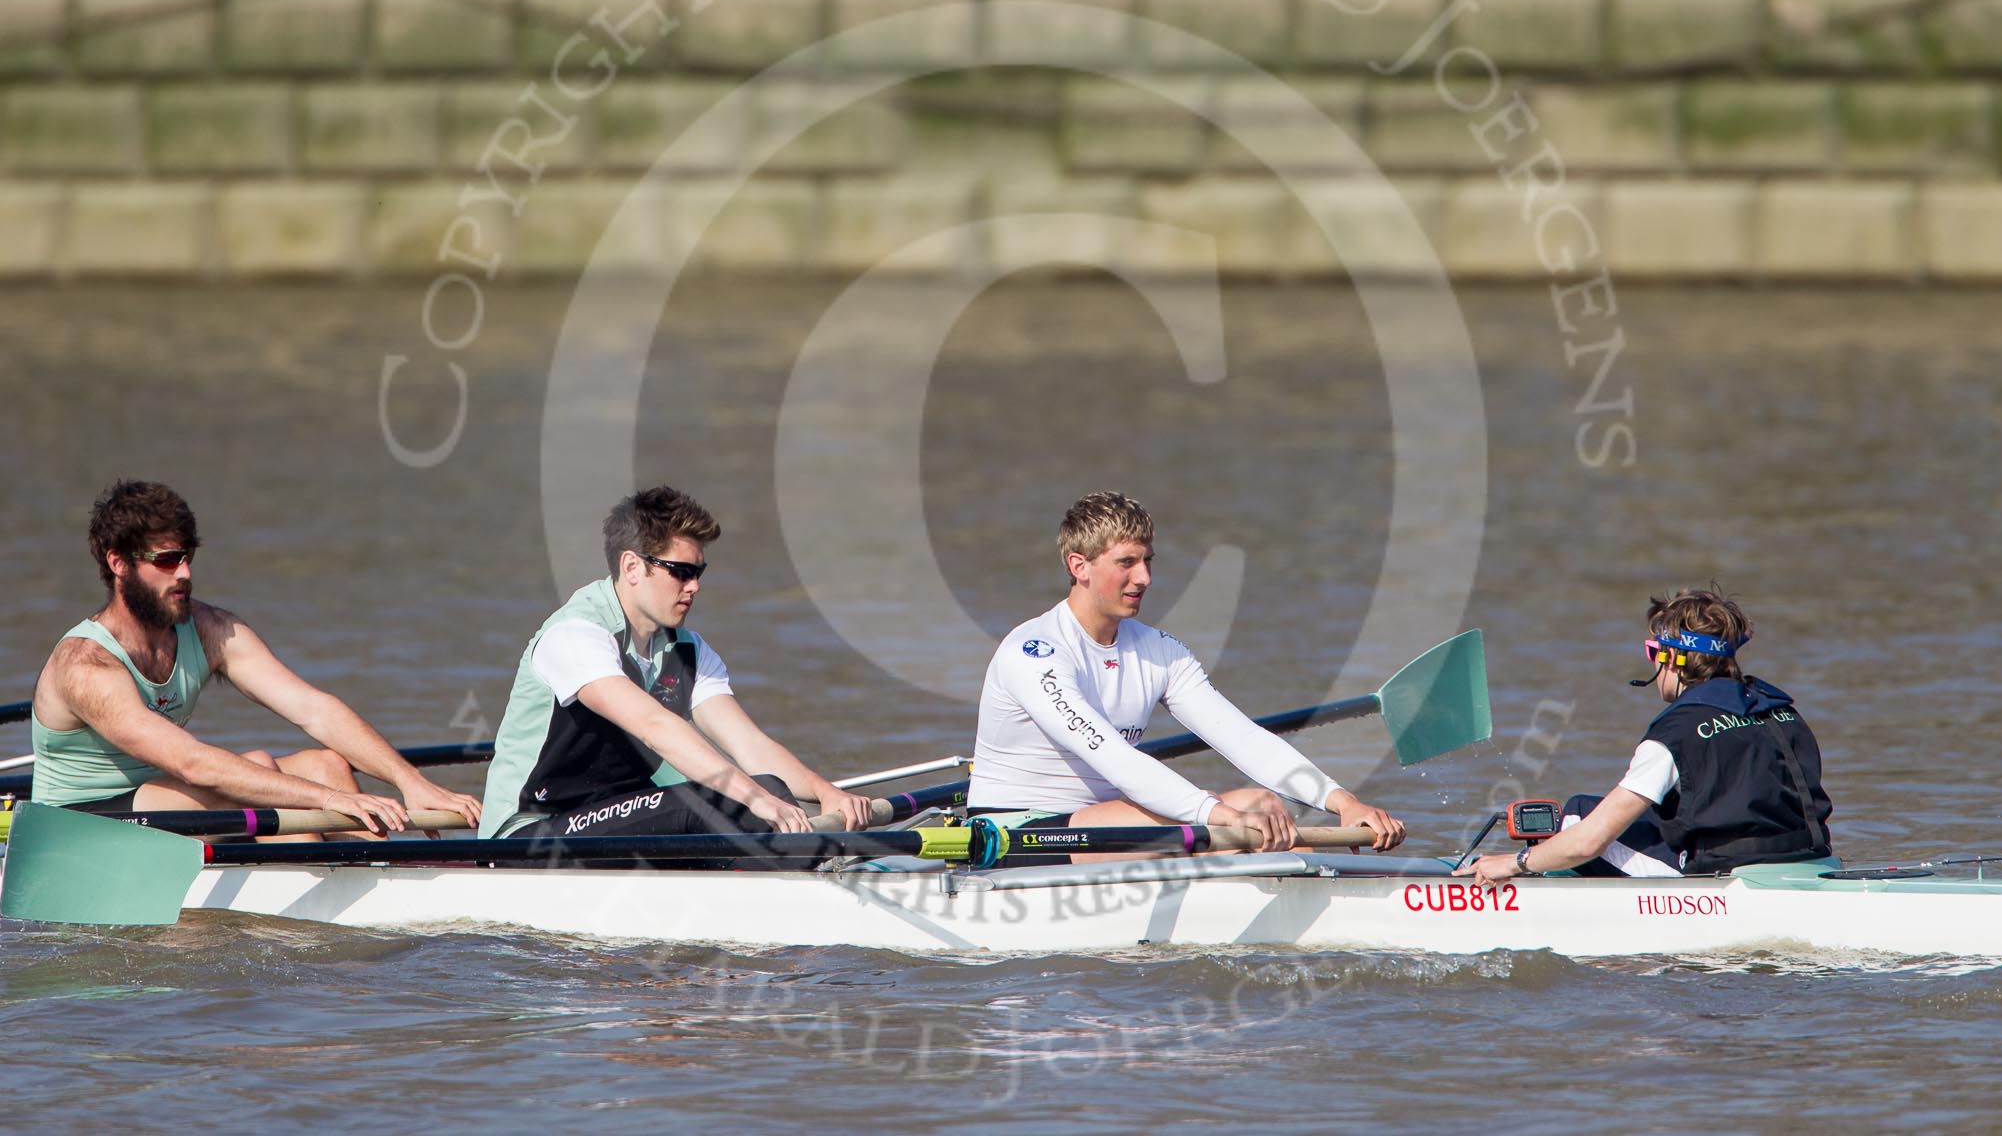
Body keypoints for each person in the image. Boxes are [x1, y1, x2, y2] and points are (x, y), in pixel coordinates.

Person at [30, 480, 483, 840]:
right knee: (262, 772)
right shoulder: (86, 665)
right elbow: (194, 765)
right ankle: (312, 916)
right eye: (167, 560)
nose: (185, 573)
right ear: (119, 564)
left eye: (187, 557)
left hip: (165, 799)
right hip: (79, 826)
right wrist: (325, 802)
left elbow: (313, 709)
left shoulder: (207, 629)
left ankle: (379, 880)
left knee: (327, 765)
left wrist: (408, 781)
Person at [967, 491, 1405, 860]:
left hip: (1106, 820)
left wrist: (1345, 803)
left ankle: (1323, 912)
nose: (1145, 577)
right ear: (1080, 566)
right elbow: (1117, 761)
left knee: (1263, 806)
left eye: (1148, 561)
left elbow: (1244, 739)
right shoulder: (1036, 653)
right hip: (1016, 835)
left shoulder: (1159, 650)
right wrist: (1220, 816)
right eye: (1126, 562)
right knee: (1244, 818)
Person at [478, 486, 872, 841]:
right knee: (698, 802)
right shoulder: (575, 635)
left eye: (699, 572)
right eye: (681, 572)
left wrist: (826, 793)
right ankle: (804, 878)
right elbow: (655, 726)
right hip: (530, 831)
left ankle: (810, 871)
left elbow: (748, 744)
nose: (695, 586)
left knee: (767, 784)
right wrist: (753, 798)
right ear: (632, 567)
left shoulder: (688, 651)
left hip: (617, 817)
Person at [1472, 585, 1833, 885]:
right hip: (1811, 859)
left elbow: (1588, 842)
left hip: (1721, 877)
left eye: (1652, 653)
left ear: (1673, 658)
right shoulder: (1782, 710)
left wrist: (1516, 862)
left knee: (1580, 816)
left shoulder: (1674, 732)